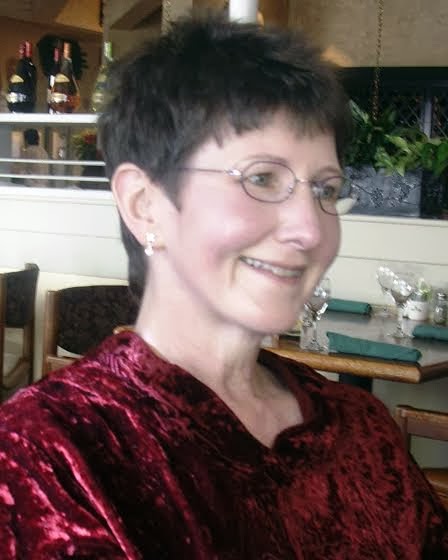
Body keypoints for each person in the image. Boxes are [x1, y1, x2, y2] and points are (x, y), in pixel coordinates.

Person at [0, 16, 446, 559]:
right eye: (261, 178)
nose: (311, 229)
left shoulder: (359, 428)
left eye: (325, 190)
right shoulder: (51, 452)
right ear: (145, 204)